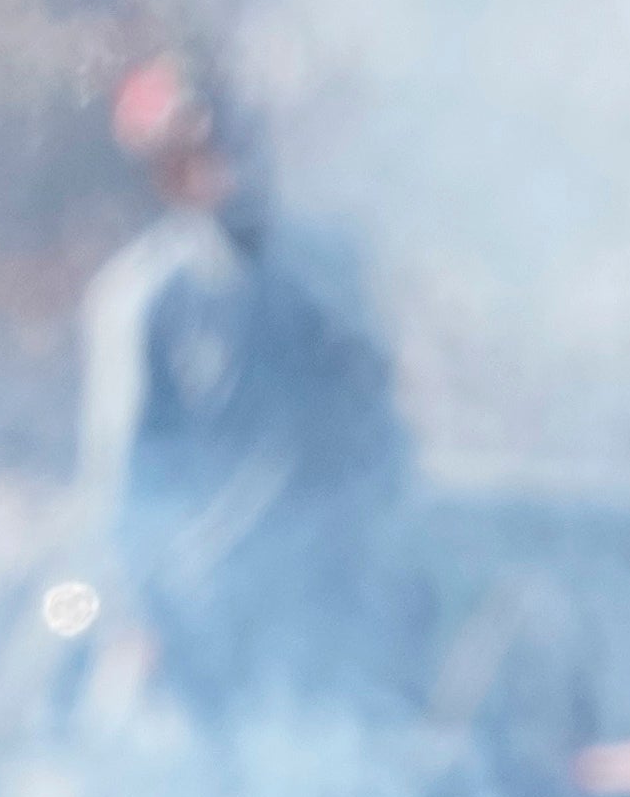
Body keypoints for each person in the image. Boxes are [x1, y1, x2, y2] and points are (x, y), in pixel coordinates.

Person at [72, 54, 407, 724]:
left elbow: (377, 421)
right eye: (195, 151)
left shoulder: (329, 263)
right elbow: (121, 476)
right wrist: (138, 611)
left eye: (234, 138)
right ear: (168, 171)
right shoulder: (147, 296)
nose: (226, 164)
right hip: (206, 608)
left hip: (331, 601)